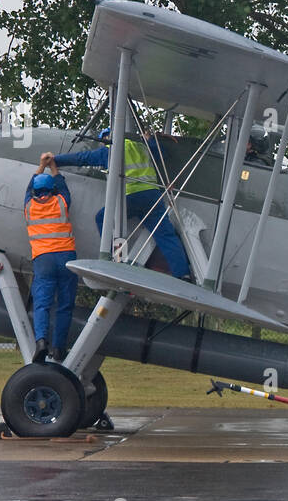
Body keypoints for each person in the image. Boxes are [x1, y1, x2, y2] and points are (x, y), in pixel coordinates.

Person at [46, 127, 191, 280]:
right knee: (165, 235)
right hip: (152, 195)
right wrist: (150, 140)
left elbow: (83, 158)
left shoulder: (111, 151)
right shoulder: (141, 146)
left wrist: (55, 160)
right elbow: (162, 154)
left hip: (131, 195)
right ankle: (183, 274)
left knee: (103, 218)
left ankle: (116, 261)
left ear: (108, 137)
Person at [25, 156, 77, 363]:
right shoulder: (61, 202)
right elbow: (62, 185)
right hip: (66, 257)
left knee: (42, 305)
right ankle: (59, 347)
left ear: (35, 192)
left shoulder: (29, 207)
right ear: (52, 190)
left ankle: (41, 342)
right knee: (64, 305)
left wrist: (40, 166)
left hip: (43, 258)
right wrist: (52, 166)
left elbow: (28, 187)